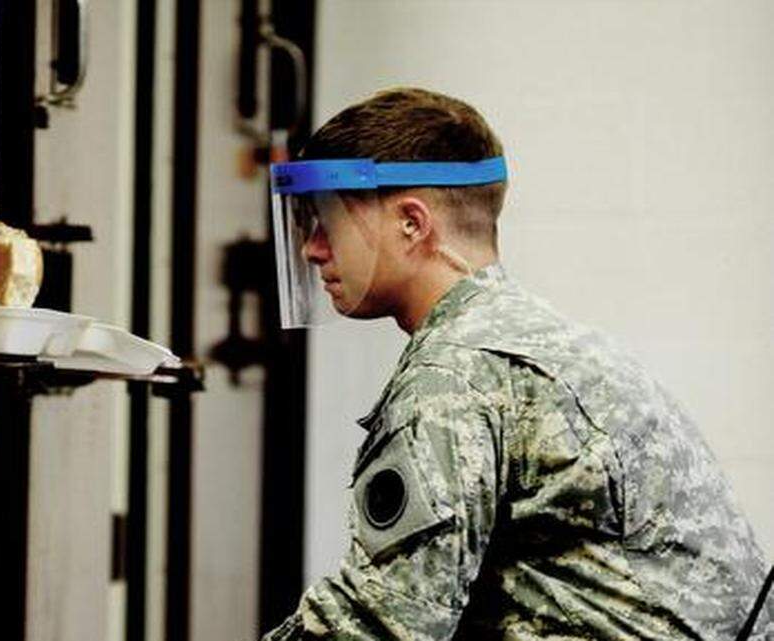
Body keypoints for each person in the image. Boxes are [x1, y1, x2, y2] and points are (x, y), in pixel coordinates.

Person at [262, 87, 773, 640]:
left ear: (412, 223)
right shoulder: (535, 335)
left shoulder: (457, 372)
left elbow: (382, 622)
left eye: (327, 221)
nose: (312, 248)